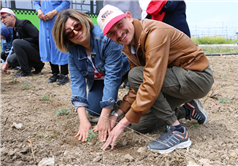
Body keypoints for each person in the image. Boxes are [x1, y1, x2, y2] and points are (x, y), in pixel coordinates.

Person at [97, 5, 214, 154]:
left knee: (136, 76)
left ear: (128, 17)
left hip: (197, 77)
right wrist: (116, 115)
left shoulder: (154, 32)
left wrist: (121, 125)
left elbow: (150, 83)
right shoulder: (130, 46)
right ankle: (187, 109)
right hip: (174, 81)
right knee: (140, 124)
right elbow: (135, 89)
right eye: (112, 33)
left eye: (119, 24)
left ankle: (178, 131)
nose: (119, 34)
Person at [52, 9, 129, 142]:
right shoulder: (73, 53)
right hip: (101, 79)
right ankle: (116, 104)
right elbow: (76, 82)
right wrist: (83, 120)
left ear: (83, 20)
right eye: (69, 33)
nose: (76, 32)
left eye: (77, 26)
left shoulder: (105, 39)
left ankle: (125, 103)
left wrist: (105, 118)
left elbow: (112, 77)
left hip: (122, 72)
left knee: (132, 88)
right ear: (66, 39)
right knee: (93, 110)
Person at [34, 0, 70, 85]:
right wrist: (39, 11)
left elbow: (66, 3)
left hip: (57, 18)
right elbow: (36, 2)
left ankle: (64, 74)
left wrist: (54, 12)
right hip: (44, 20)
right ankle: (55, 72)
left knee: (59, 44)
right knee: (48, 44)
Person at [0, 8, 44, 77]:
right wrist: (6, 63)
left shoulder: (24, 23)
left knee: (16, 42)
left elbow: (38, 37)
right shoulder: (15, 29)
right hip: (31, 53)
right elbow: (14, 48)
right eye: (1, 19)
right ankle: (37, 65)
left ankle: (26, 71)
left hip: (38, 53)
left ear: (12, 16)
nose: (2, 20)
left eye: (3, 17)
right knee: (10, 60)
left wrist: (24, 41)